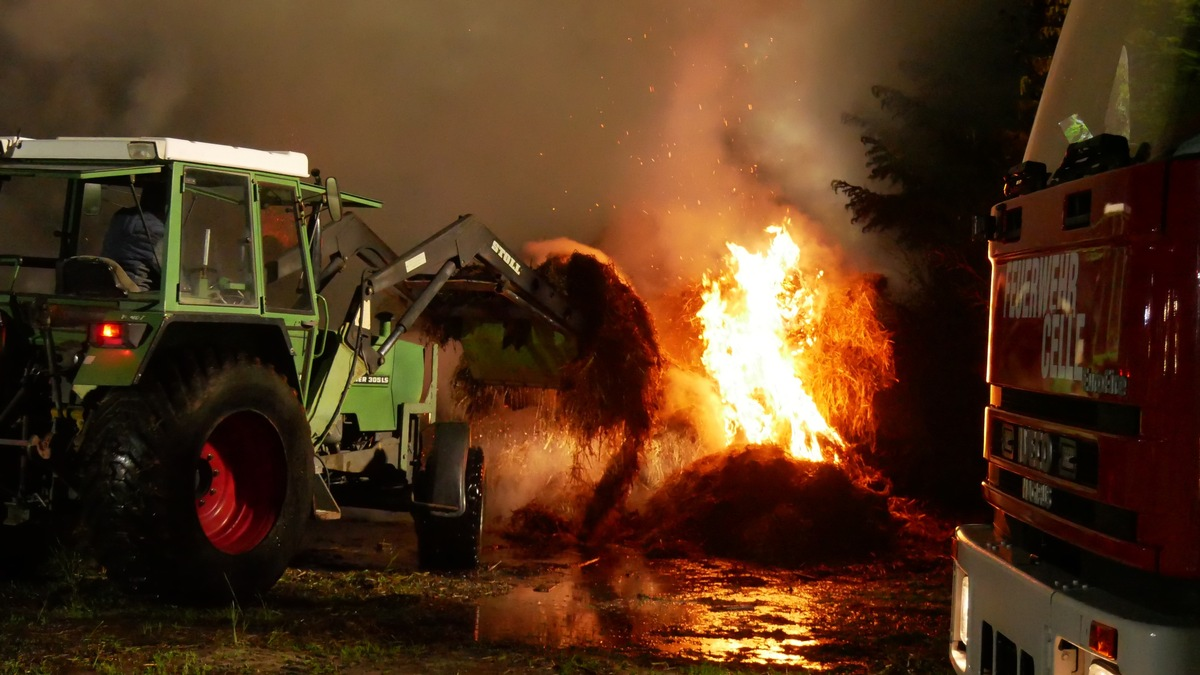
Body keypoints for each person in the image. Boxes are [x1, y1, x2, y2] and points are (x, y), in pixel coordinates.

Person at [101, 184, 166, 291]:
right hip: (139, 291)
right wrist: (187, 287)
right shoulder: (156, 229)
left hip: (109, 285)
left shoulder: (120, 218)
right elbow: (171, 272)